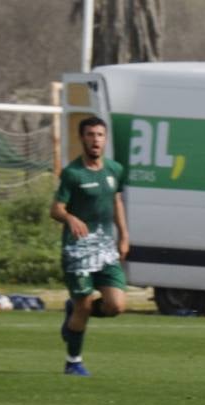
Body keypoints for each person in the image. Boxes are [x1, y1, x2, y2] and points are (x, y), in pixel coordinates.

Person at [51, 116, 129, 376]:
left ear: (105, 139)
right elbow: (56, 209)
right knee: (85, 305)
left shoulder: (115, 170)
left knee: (115, 306)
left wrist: (124, 235)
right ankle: (73, 362)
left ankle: (74, 314)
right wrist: (70, 217)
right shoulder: (73, 173)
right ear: (82, 138)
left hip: (106, 249)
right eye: (90, 135)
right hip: (78, 250)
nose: (95, 140)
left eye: (100, 135)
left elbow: (116, 202)